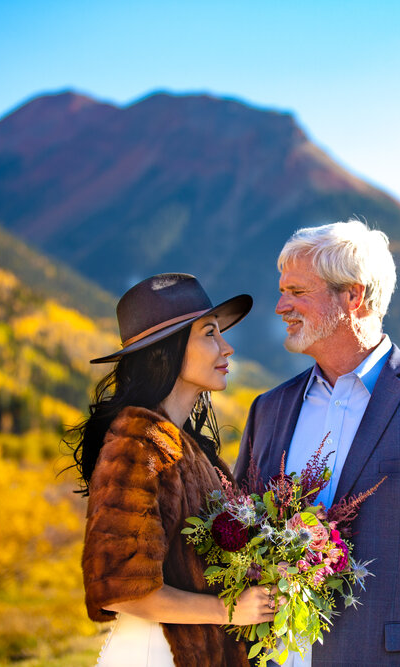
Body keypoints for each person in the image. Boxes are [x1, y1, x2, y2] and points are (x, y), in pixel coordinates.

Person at [234, 221, 400, 666]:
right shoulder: (268, 409)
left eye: (298, 291)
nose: (281, 306)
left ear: (353, 297)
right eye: (283, 291)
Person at [69, 273, 274, 667]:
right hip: (156, 654)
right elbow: (123, 590)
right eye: (210, 334)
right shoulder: (138, 441)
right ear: (169, 349)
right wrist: (228, 610)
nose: (226, 348)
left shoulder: (188, 447)